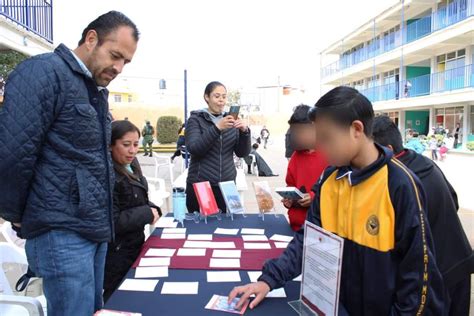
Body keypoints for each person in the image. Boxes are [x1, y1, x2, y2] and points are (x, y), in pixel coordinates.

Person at [228, 86, 444, 315]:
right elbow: (308, 240)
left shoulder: (399, 184)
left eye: (326, 138)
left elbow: (418, 276)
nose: (319, 147)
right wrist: (269, 280)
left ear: (356, 129)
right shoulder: (330, 180)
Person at [0, 11, 139, 315]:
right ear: (91, 39)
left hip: (93, 228)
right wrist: (17, 214)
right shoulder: (42, 73)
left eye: (125, 62)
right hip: (60, 230)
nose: (118, 67)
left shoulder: (93, 89)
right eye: (115, 55)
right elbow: (13, 154)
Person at [372, 115, 473, 316]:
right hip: (460, 261)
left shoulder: (399, 180)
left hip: (436, 274)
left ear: (389, 150)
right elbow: (453, 201)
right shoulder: (424, 162)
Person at [103, 120, 161, 302]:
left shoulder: (132, 163)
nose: (133, 150)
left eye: (136, 144)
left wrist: (153, 207)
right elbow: (112, 221)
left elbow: (139, 197)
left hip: (134, 244)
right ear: (111, 145)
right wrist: (146, 212)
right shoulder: (108, 174)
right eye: (126, 145)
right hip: (117, 254)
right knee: (118, 299)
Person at [185, 81, 251, 213]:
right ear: (207, 97)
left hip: (227, 185)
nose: (221, 100)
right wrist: (217, 128)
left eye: (224, 96)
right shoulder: (195, 120)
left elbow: (241, 153)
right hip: (201, 185)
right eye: (216, 96)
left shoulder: (230, 120)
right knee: (201, 229)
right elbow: (195, 148)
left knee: (225, 228)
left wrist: (245, 132)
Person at [283, 104, 327, 231]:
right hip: (295, 226)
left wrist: (313, 198)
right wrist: (289, 199)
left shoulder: (330, 156)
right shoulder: (296, 156)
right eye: (294, 132)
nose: (296, 137)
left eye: (300, 132)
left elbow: (336, 194)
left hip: (318, 230)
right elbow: (290, 185)